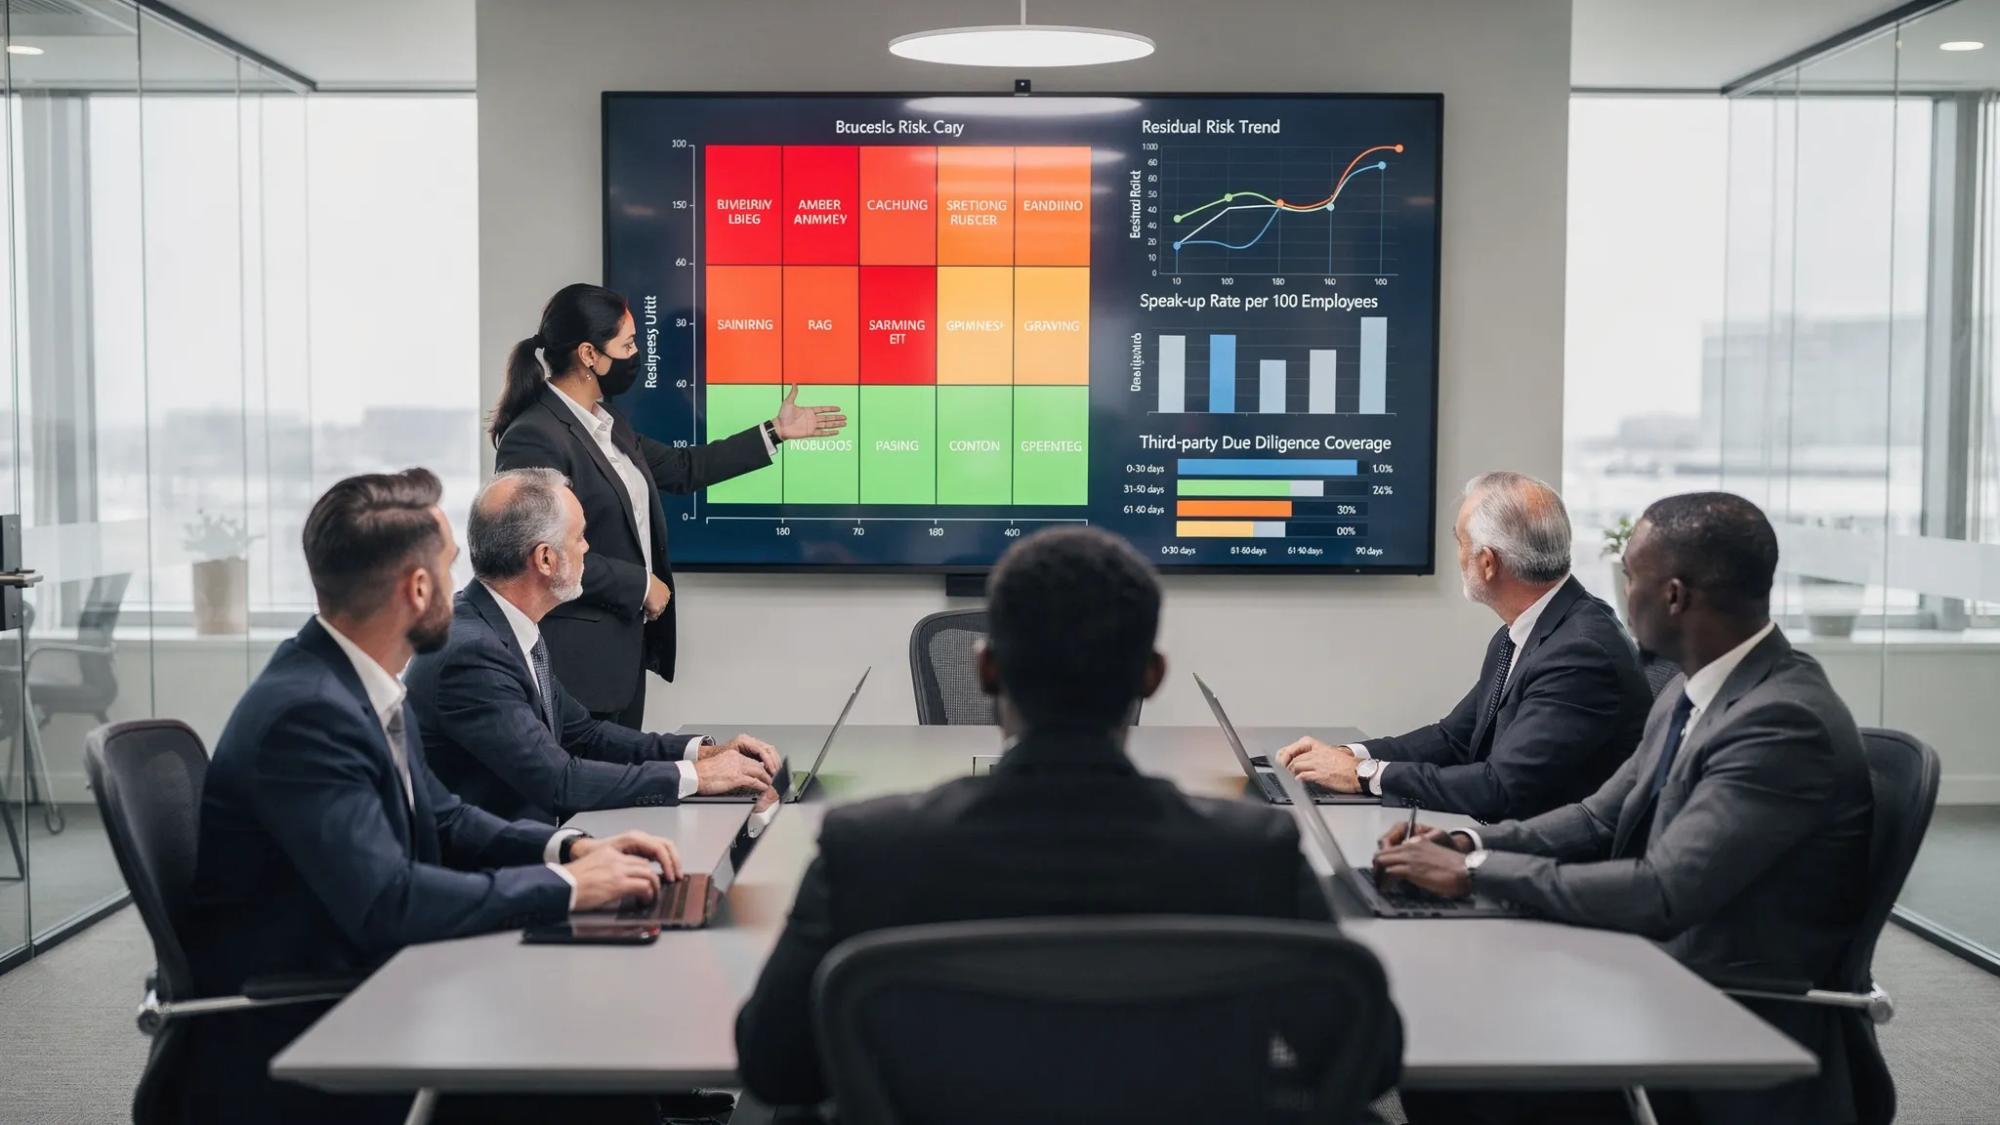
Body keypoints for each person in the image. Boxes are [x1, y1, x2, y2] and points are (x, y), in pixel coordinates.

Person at [734, 527, 1401, 1111]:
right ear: (1151, 676)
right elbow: (1367, 1063)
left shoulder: (867, 851)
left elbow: (776, 1068)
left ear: (986, 668)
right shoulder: (1254, 852)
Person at [186, 469, 684, 1125]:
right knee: (579, 1058)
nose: (461, 585)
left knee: (592, 1041)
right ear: (417, 589)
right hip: (321, 1022)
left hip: (380, 976)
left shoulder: (349, 684)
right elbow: (390, 901)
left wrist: (573, 846)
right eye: (449, 567)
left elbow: (443, 818)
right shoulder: (306, 714)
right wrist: (566, 886)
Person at [1375, 492, 1873, 1125]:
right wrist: (1474, 847)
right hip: (1656, 963)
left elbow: (1665, 891)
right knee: (1441, 1023)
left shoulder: (1781, 720)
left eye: (1631, 574)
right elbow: (1597, 817)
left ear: (1672, 596)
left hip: (1720, 1004)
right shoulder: (1692, 690)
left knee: (1455, 1067)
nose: (1619, 590)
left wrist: (1478, 875)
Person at [491, 282, 847, 728]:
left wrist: (774, 431)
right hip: (576, 665)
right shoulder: (535, 435)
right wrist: (639, 584)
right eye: (628, 344)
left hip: (620, 654)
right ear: (588, 355)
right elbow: (541, 553)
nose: (638, 354)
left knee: (620, 789)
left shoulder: (608, 422)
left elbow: (681, 468)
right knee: (585, 792)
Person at [407, 468, 780, 823]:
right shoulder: (472, 654)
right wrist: (697, 777)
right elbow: (559, 781)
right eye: (579, 537)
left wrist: (703, 752)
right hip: (494, 871)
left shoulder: (506, 626)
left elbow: (584, 736)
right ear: (546, 559)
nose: (588, 548)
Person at [1278, 472, 1650, 821]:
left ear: (1488, 563)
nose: (1458, 554)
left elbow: (1501, 787)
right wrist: (1347, 756)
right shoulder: (1526, 630)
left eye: (1461, 542)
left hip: (1545, 864)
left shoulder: (1580, 654)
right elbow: (1453, 738)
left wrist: (1365, 775)